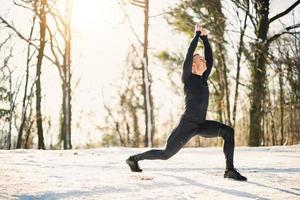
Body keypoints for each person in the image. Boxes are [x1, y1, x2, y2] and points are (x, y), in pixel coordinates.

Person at [126, 23, 247, 181]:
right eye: (200, 58)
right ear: (193, 64)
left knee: (228, 132)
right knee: (165, 154)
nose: (204, 60)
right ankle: (133, 159)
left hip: (201, 124)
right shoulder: (188, 78)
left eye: (202, 58)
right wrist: (197, 35)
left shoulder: (203, 78)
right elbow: (189, 54)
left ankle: (229, 170)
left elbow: (210, 59)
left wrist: (205, 38)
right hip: (187, 124)